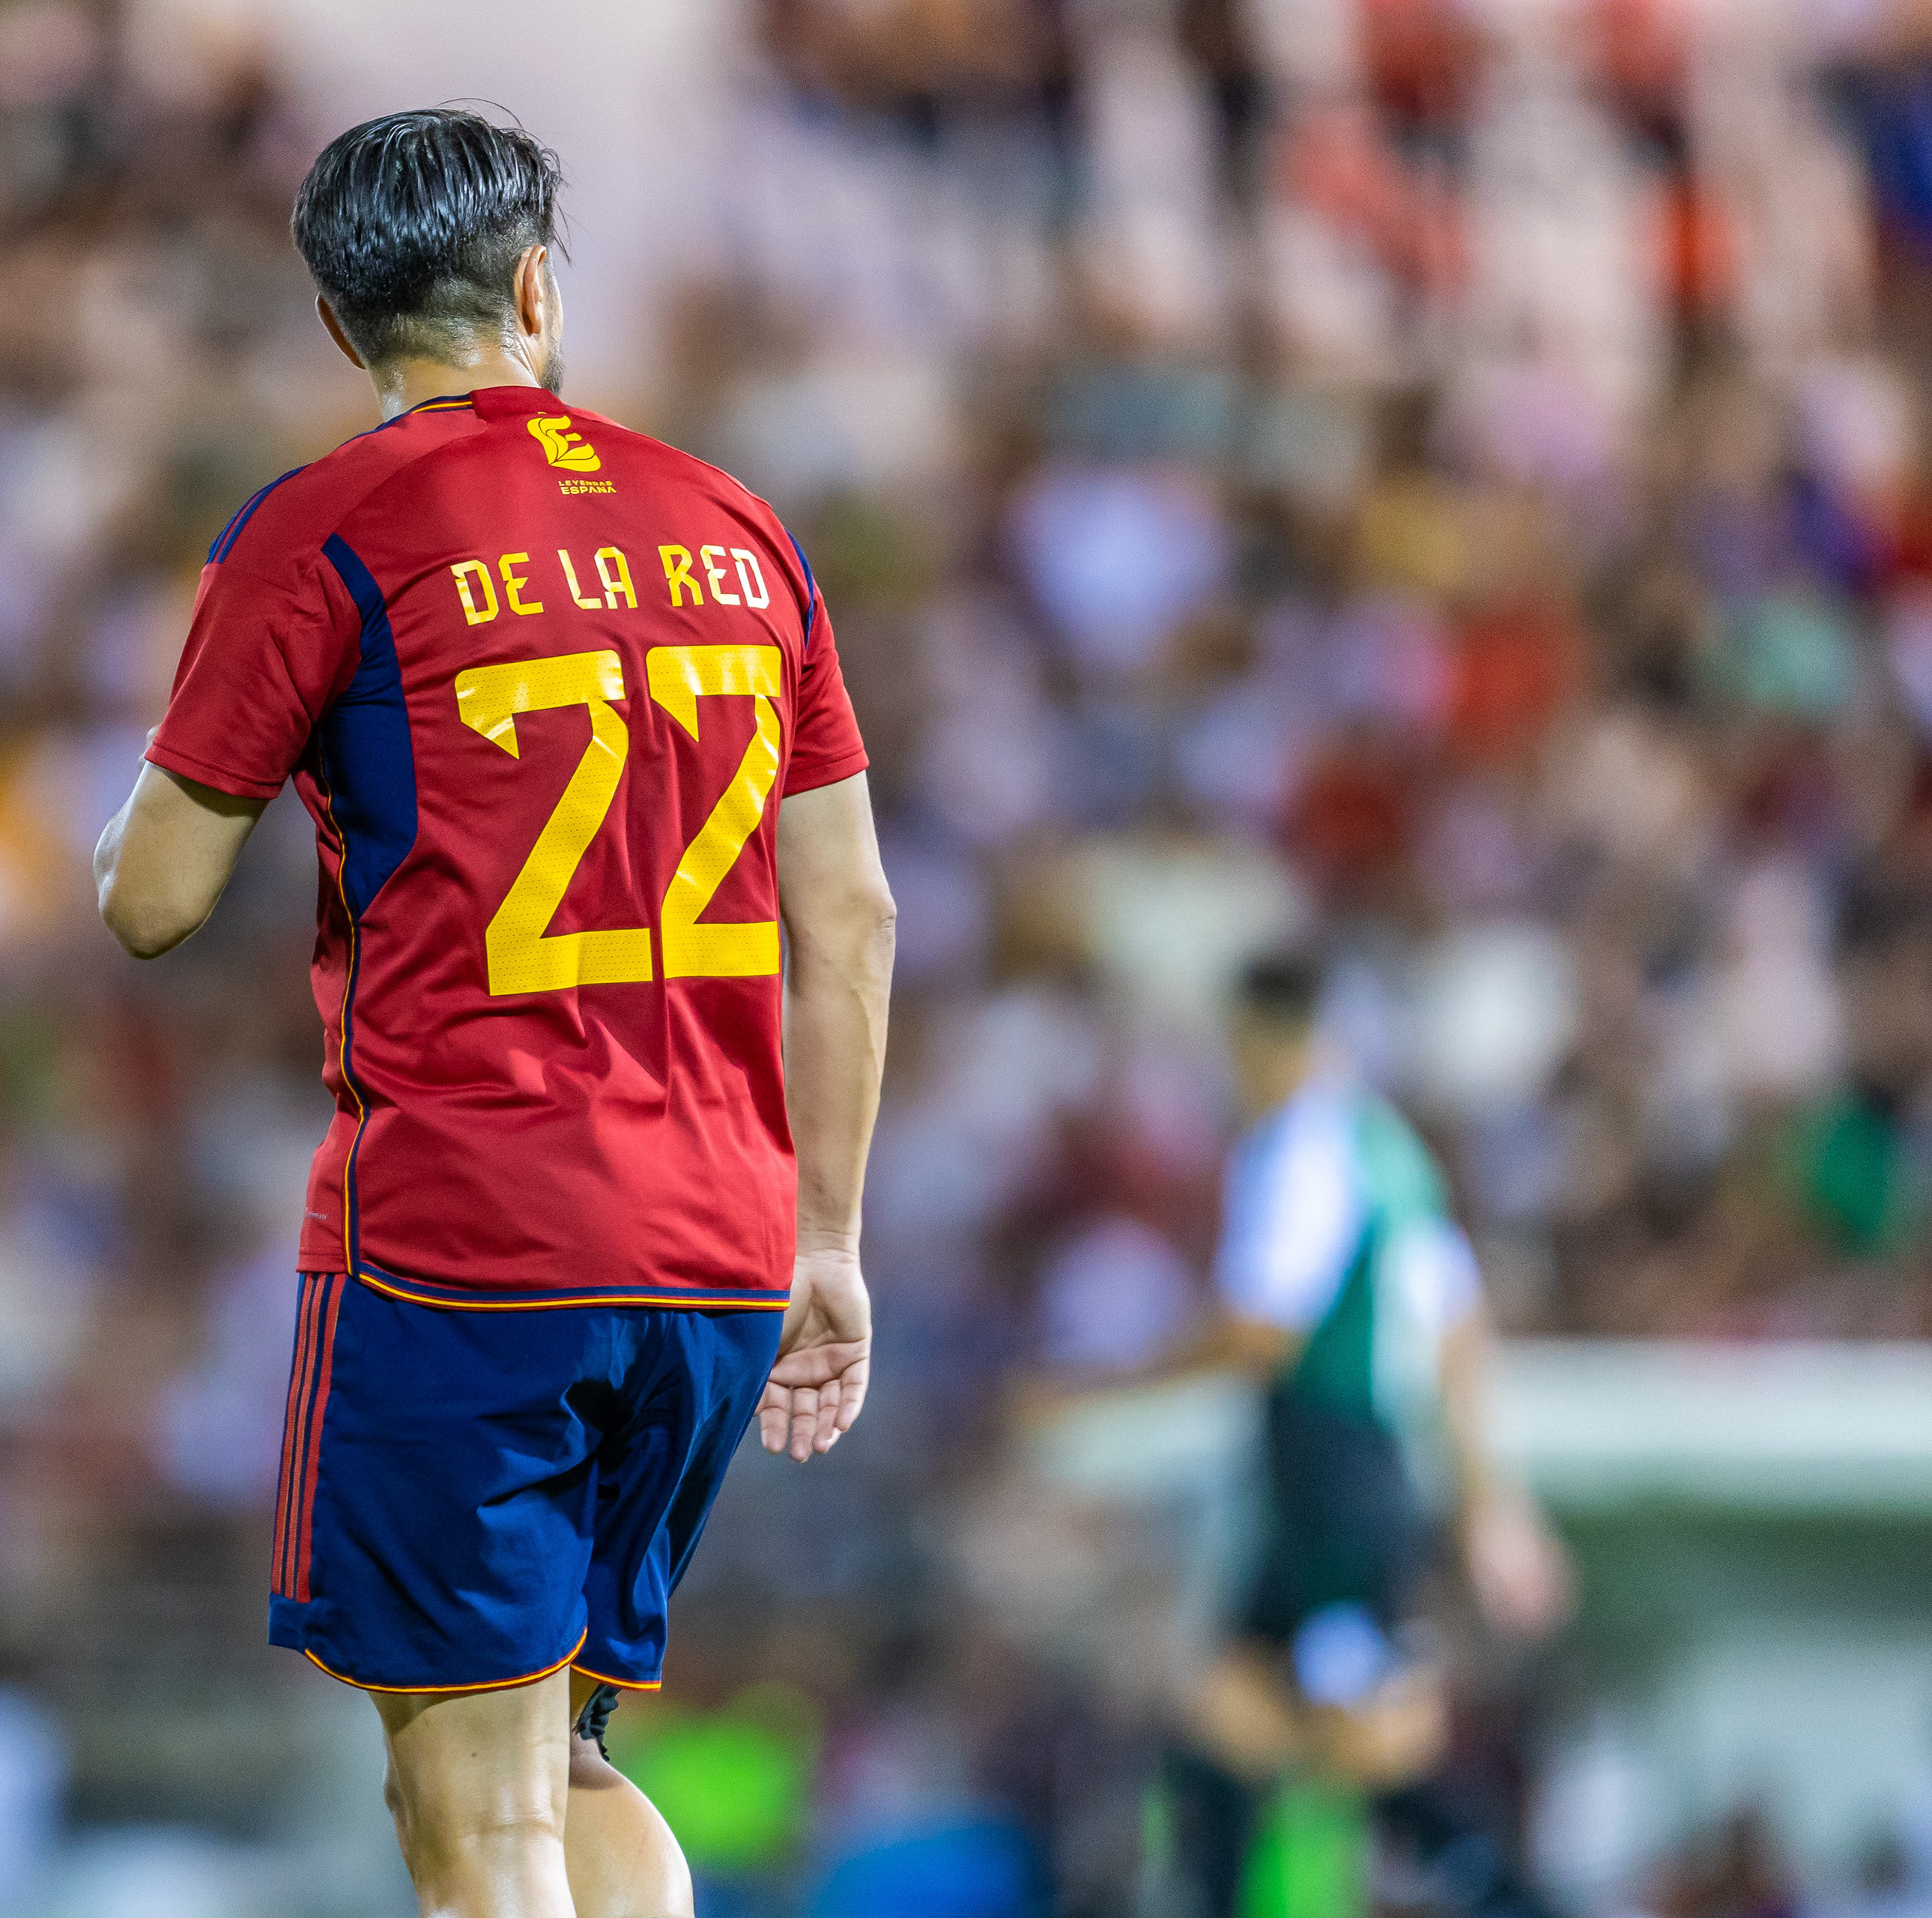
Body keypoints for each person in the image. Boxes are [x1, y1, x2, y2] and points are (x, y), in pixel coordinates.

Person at [94, 108, 895, 1918]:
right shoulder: (738, 527)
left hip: (468, 1239)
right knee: (567, 1755)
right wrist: (829, 1238)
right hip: (716, 1248)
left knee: (478, 1823)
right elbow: (849, 911)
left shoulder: (324, 530)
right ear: (537, 286)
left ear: (337, 323)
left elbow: (152, 901)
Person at [1044, 952, 1572, 1918]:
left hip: (1330, 1484)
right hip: (1347, 1480)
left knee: (1370, 1749)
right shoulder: (1391, 1150)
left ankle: (1523, 1904)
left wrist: (1100, 1391)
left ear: (1263, 1038)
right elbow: (1458, 1329)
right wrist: (1491, 1501)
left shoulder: (1298, 1150)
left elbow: (1261, 1330)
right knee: (1227, 1725)